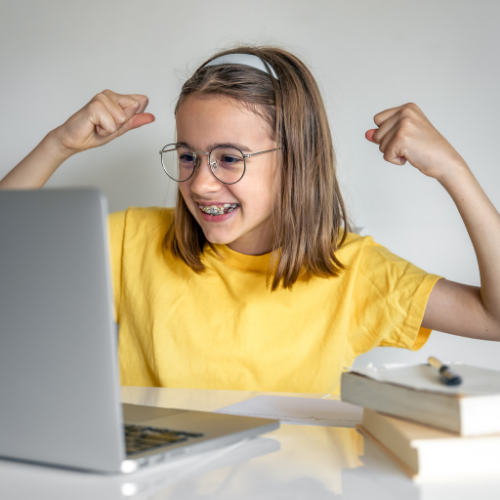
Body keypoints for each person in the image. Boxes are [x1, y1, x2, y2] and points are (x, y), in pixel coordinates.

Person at [2, 46, 500, 395]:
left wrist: (453, 171)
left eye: (230, 158)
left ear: (296, 158)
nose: (199, 184)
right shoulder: (134, 239)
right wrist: (58, 145)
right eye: (188, 156)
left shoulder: (355, 273)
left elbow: (493, 319)